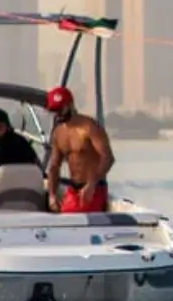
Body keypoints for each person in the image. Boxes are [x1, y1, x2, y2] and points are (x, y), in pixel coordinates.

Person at [43, 86, 117, 214]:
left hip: (94, 187)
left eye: (61, 109)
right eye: (55, 110)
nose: (58, 113)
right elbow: (55, 166)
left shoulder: (89, 127)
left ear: (70, 106)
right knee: (63, 217)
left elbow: (108, 158)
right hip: (73, 188)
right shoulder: (59, 132)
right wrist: (52, 195)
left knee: (76, 219)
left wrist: (92, 184)